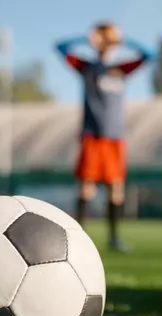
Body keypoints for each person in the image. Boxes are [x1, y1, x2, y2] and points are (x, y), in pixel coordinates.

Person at [55, 23, 153, 252]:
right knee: (86, 187)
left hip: (115, 137)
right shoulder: (87, 67)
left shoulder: (121, 69)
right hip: (93, 135)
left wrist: (120, 40)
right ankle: (79, 237)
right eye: (103, 38)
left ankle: (114, 238)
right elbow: (60, 47)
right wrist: (88, 38)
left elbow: (149, 54)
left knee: (115, 187)